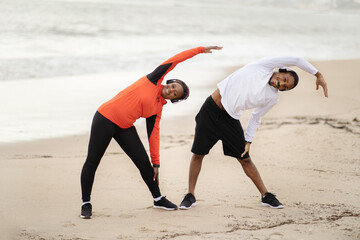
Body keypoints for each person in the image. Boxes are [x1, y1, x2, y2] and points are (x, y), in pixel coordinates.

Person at [80, 46, 222, 219]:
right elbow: (175, 59)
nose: (171, 90)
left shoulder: (157, 109)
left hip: (124, 126)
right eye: (173, 86)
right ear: (171, 81)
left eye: (174, 93)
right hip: (105, 118)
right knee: (93, 161)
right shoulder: (154, 79)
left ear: (173, 99)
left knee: (144, 164)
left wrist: (156, 163)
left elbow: (153, 135)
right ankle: (86, 203)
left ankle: (158, 198)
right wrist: (200, 50)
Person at [179, 55, 328, 210]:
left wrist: (248, 140)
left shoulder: (272, 97)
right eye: (284, 79)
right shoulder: (263, 66)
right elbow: (297, 60)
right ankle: (190, 195)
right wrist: (318, 75)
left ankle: (266, 195)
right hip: (209, 111)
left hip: (230, 119)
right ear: (280, 71)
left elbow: (256, 116)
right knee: (198, 154)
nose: (281, 84)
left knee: (245, 159)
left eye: (285, 87)